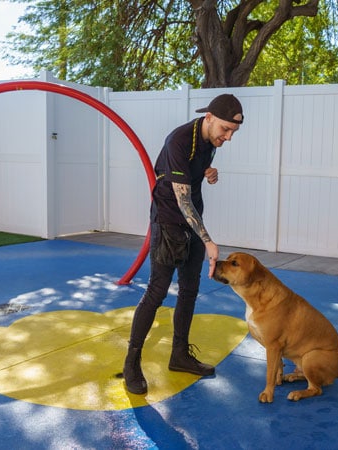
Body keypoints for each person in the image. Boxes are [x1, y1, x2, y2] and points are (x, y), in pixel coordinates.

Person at [123, 94, 244, 395]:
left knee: (189, 291)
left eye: (233, 132)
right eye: (225, 129)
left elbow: (193, 179)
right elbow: (181, 198)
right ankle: (131, 363)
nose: (227, 137)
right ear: (210, 118)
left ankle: (179, 355)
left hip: (192, 221)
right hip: (167, 221)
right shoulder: (179, 140)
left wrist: (208, 173)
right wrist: (208, 240)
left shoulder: (210, 143)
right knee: (157, 291)